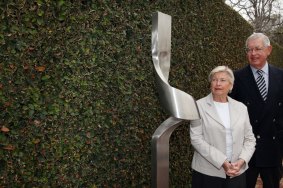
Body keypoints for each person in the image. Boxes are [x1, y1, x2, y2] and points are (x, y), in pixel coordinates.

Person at [229, 32, 283, 188]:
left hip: (273, 147)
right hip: (244, 150)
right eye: (249, 50)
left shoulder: (281, 76)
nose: (253, 54)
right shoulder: (235, 78)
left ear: (269, 50)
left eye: (257, 49)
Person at [190, 66, 256, 188]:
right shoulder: (198, 106)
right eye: (214, 80)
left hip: (237, 172)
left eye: (222, 80)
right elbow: (196, 139)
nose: (218, 83)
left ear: (230, 85)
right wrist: (223, 161)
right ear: (210, 84)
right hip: (207, 173)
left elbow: (250, 139)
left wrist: (242, 161)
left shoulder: (241, 108)